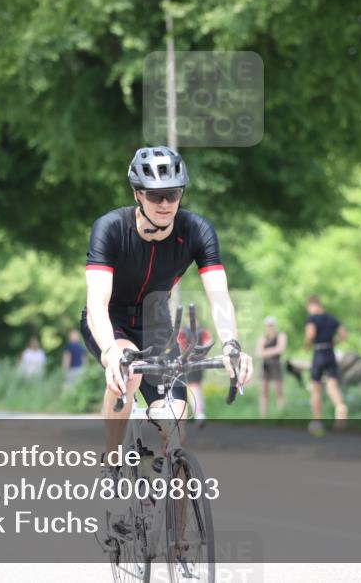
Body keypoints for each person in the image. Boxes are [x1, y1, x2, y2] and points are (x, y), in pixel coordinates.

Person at [80, 146, 252, 471]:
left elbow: (219, 297)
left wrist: (231, 343)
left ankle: (172, 500)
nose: (164, 204)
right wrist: (110, 352)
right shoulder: (110, 228)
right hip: (110, 321)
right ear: (137, 194)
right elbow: (97, 302)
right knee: (126, 372)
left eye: (172, 194)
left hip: (155, 323)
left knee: (175, 418)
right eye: (155, 195)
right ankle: (113, 461)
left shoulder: (197, 231)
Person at [303, 295, 348, 435]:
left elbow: (311, 334)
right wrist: (335, 342)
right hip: (330, 352)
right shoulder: (331, 318)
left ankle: (317, 420)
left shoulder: (312, 319)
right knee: (332, 386)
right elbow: (343, 334)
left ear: (311, 305)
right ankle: (340, 407)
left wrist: (307, 345)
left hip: (319, 353)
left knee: (316, 388)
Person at [178, 319, 213, 427]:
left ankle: (198, 414)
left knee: (193, 387)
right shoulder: (203, 331)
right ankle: (199, 414)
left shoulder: (184, 331)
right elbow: (208, 344)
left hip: (188, 363)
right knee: (196, 387)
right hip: (198, 362)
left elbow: (179, 345)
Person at [256, 316, 287, 417]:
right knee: (263, 392)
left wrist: (265, 352)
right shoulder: (263, 338)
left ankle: (281, 415)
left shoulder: (280, 335)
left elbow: (280, 349)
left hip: (276, 364)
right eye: (268, 325)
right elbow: (259, 353)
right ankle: (263, 416)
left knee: (279, 391)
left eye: (271, 325)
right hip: (265, 365)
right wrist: (271, 351)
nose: (270, 327)